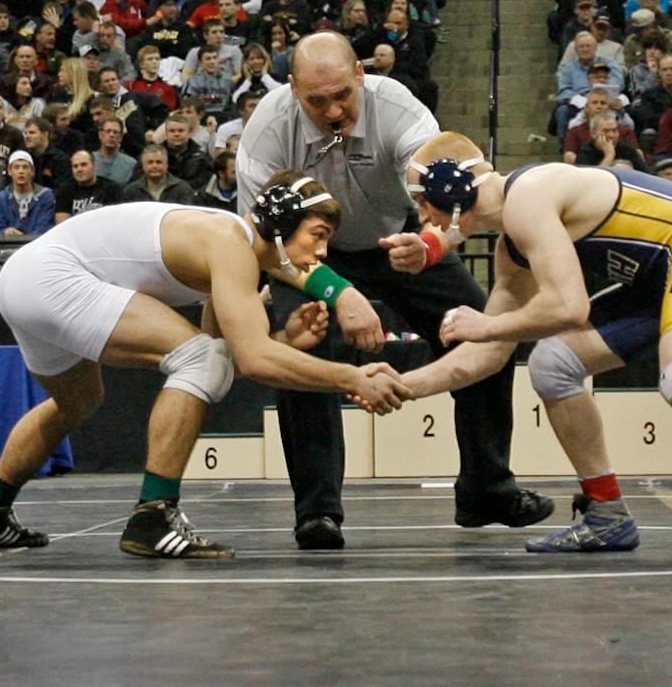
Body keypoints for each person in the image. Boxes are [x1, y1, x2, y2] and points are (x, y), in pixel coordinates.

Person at [391, 132, 672, 567]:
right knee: (552, 364)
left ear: (450, 187)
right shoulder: (513, 247)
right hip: (653, 279)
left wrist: (488, 324)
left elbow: (568, 308)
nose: (422, 216)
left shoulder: (528, 197)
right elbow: (488, 354)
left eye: (422, 200)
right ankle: (606, 512)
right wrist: (403, 385)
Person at [0, 174, 408, 559]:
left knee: (81, 400)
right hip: (53, 277)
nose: (322, 252)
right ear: (282, 226)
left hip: (24, 279)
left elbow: (227, 360)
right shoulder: (229, 244)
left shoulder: (231, 250)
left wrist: (285, 342)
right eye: (317, 234)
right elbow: (243, 360)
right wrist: (351, 377)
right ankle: (154, 515)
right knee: (198, 359)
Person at [235, 32, 548, 549]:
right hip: (309, 252)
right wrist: (339, 291)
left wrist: (429, 245)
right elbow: (269, 246)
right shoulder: (267, 131)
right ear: (292, 89)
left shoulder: (399, 109)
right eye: (317, 101)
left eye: (343, 95)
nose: (334, 112)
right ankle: (317, 512)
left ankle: (486, 490)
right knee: (299, 350)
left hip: (397, 238)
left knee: (484, 332)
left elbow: (451, 201)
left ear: (361, 75)